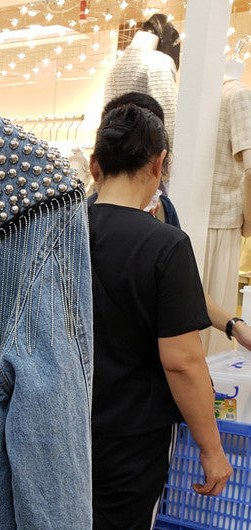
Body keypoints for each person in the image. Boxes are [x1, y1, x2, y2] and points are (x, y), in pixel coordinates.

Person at [52, 103, 233, 530]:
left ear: (96, 165)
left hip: (60, 434)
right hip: (130, 444)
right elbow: (183, 360)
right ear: (158, 165)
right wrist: (213, 451)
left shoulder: (62, 233)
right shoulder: (165, 246)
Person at [93, 91, 251, 352]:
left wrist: (233, 325)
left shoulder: (164, 212)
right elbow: (183, 361)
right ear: (160, 161)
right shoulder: (76, 222)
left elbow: (181, 288)